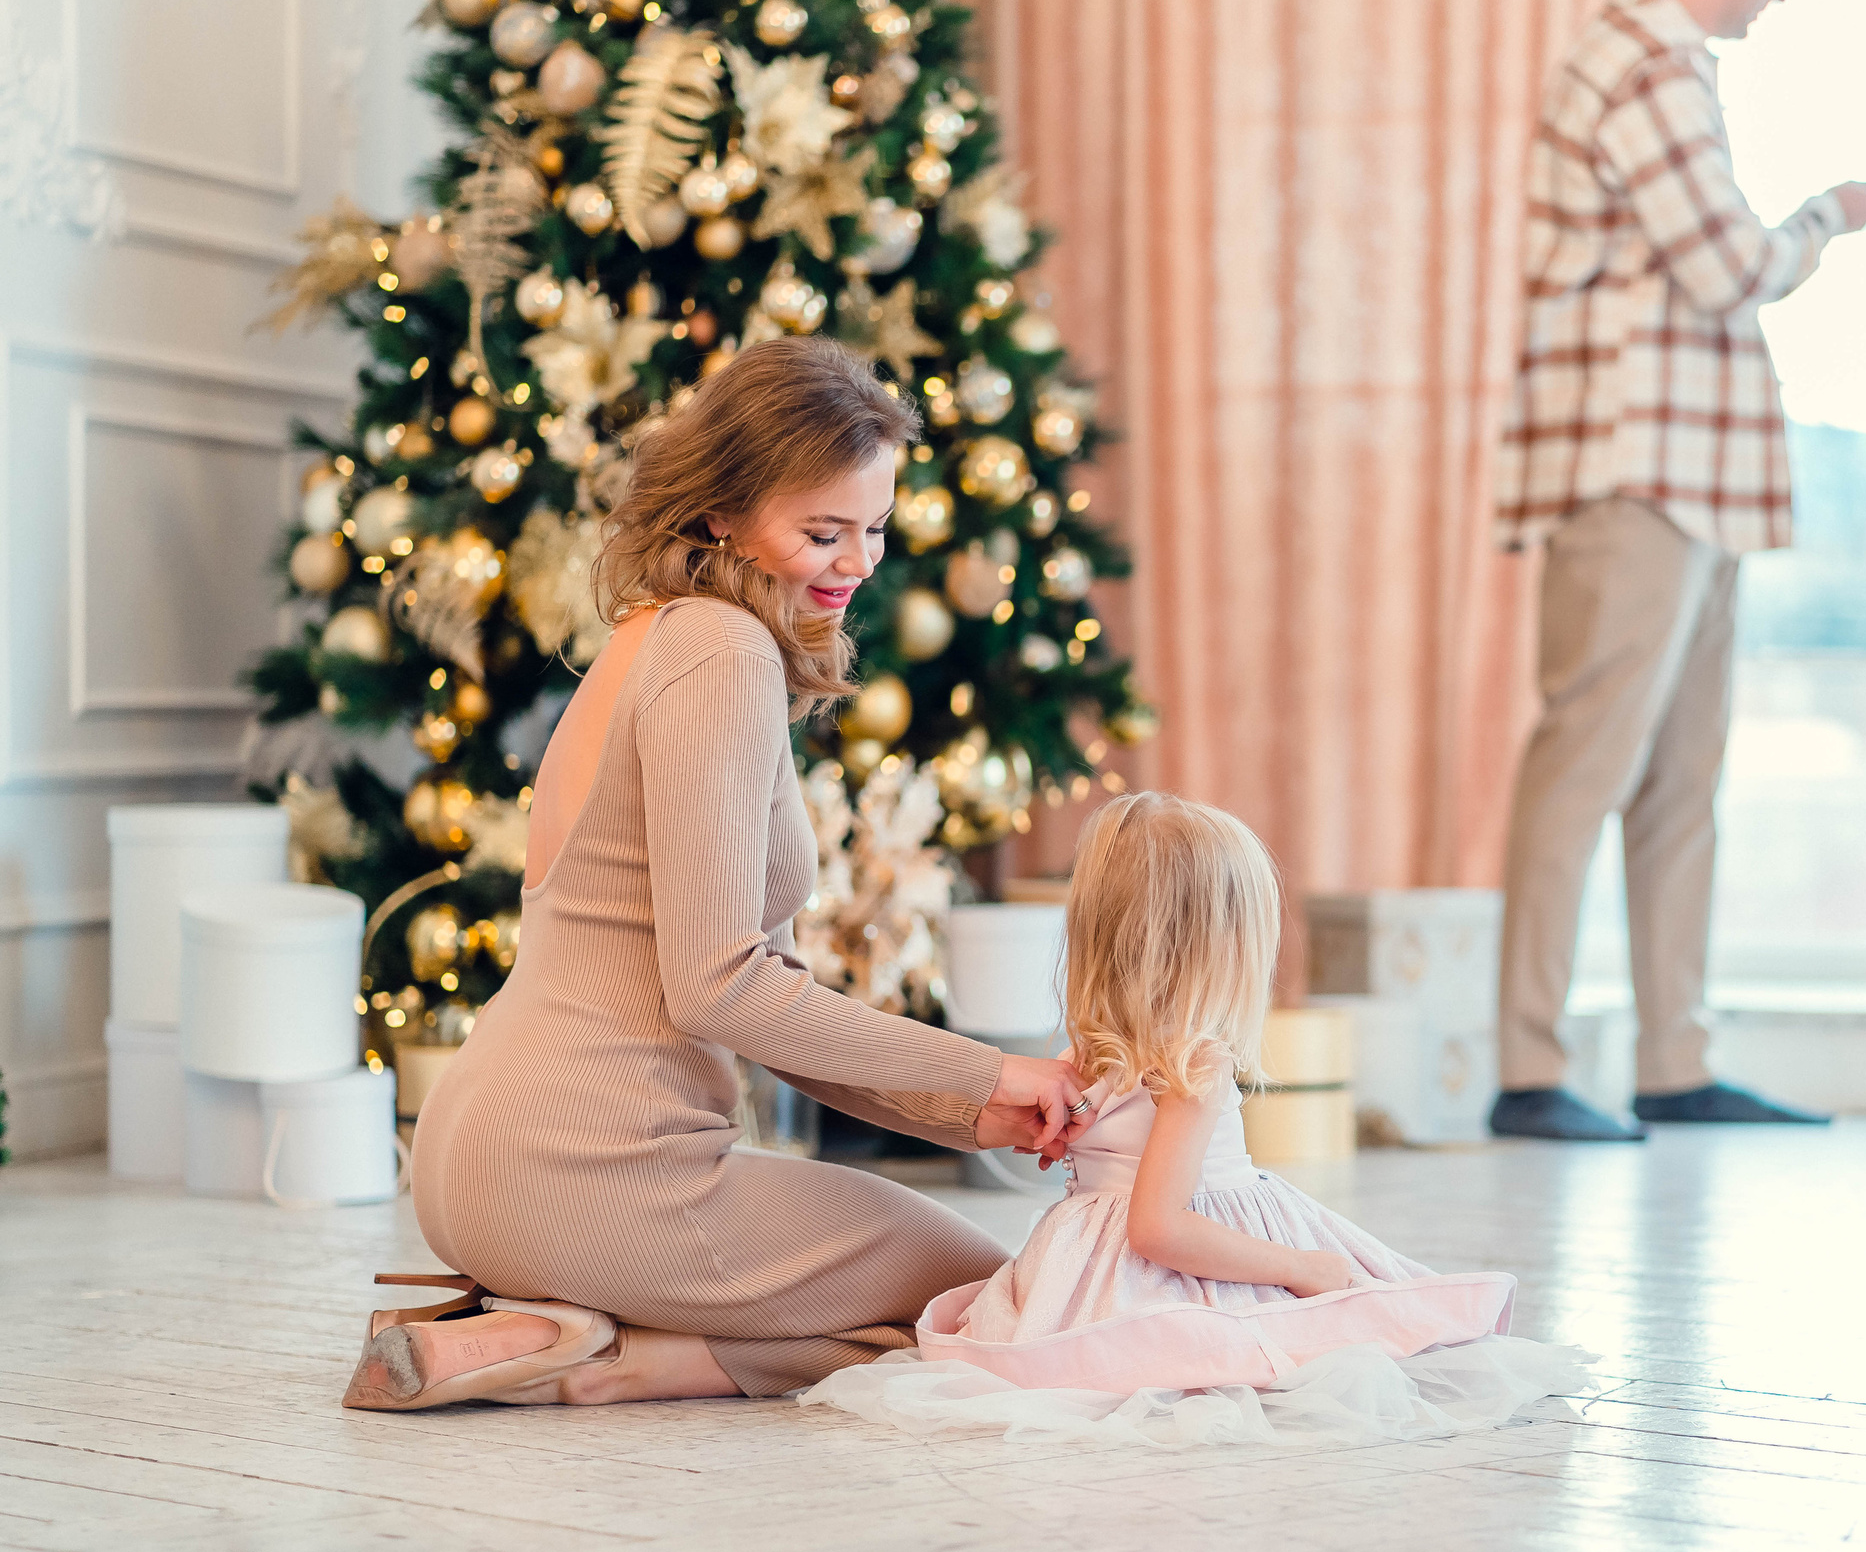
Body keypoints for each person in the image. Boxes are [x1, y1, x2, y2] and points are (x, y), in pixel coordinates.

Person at [342, 340, 1094, 1411]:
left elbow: (756, 990)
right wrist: (990, 1072)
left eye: (873, 529)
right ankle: (608, 1358)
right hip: (588, 1167)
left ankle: (537, 1332)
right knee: (998, 1304)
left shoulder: (669, 640)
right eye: (822, 532)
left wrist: (969, 1113)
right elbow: (723, 988)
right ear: (720, 515)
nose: (856, 563)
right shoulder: (721, 654)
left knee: (950, 1295)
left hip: (483, 1157)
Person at [805, 792, 1590, 1446]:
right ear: (1218, 946)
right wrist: (1297, 1267)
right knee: (1339, 1318)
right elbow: (1159, 1229)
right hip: (1175, 1263)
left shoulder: (1088, 1054)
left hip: (1085, 1264)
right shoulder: (1197, 1063)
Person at [1490, 0, 1866, 1142]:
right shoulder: (1641, 64)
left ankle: (1674, 1059)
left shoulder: (1665, 66)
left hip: (1691, 479)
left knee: (1679, 783)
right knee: (1584, 767)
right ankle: (1530, 1070)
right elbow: (1731, 267)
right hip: (1634, 477)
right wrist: (1827, 215)